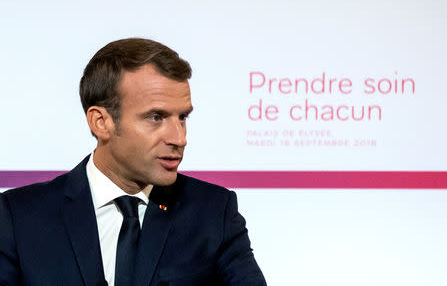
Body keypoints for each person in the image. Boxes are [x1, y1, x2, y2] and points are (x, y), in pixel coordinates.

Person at [0, 38, 266, 286]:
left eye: (182, 117)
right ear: (101, 122)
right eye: (156, 117)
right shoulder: (18, 216)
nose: (179, 138)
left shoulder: (214, 213)